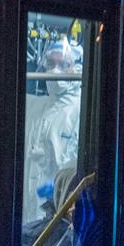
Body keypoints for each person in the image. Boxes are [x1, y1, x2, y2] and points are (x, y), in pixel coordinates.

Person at [22, 37, 82, 224]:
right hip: (27, 208)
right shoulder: (33, 106)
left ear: (78, 69)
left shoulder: (82, 110)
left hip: (59, 212)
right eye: (51, 64)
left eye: (64, 64)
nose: (55, 71)